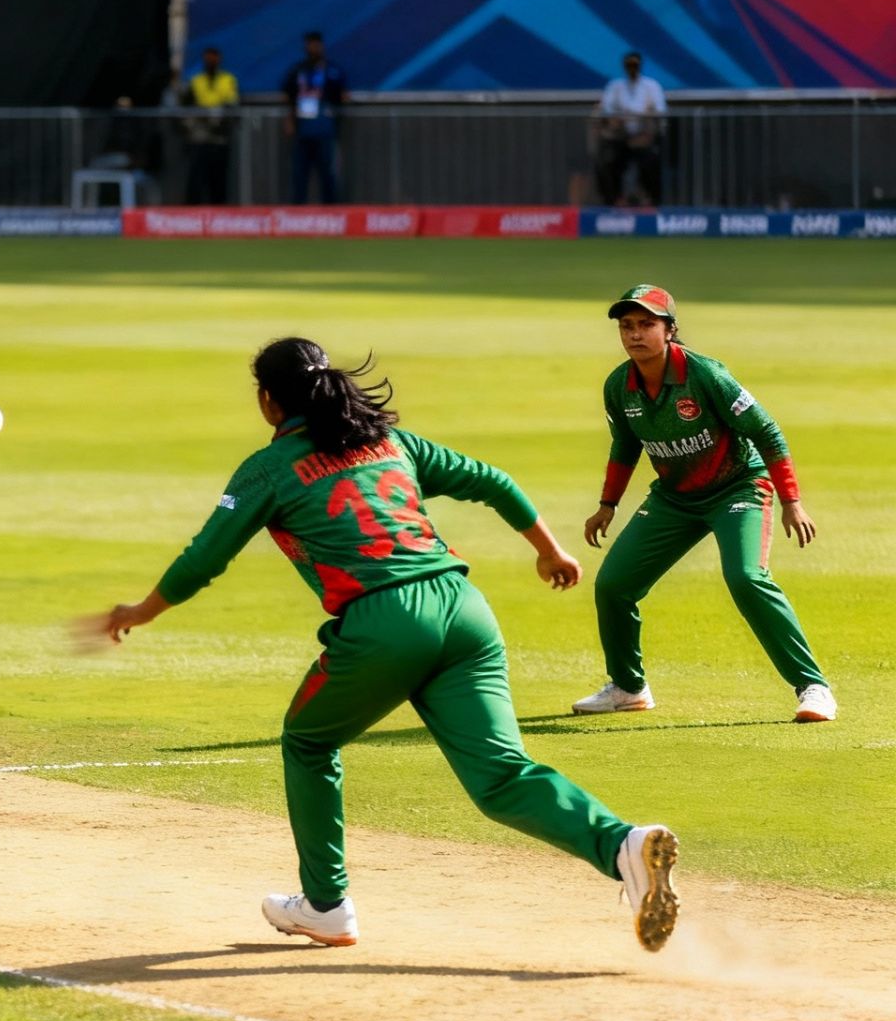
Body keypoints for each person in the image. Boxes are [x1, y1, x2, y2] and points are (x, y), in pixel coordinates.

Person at [80, 337, 681, 955]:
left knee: (309, 741)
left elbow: (204, 557)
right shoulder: (391, 441)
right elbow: (492, 481)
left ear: (268, 400)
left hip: (385, 623)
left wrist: (139, 611)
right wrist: (548, 549)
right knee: (502, 776)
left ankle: (325, 906)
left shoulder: (269, 468)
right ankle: (621, 845)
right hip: (464, 610)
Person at [574, 285, 834, 726]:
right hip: (675, 499)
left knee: (746, 578)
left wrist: (792, 501)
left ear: (669, 330)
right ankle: (628, 687)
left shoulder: (706, 375)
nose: (635, 335)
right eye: (627, 326)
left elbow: (767, 432)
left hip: (737, 488)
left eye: (647, 325)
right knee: (612, 585)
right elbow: (624, 445)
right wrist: (607, 504)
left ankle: (813, 687)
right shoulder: (620, 385)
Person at [280, 32, 346, 202]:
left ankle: (331, 213)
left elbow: (342, 96)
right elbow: (287, 95)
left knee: (327, 172)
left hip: (324, 128)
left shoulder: (331, 70)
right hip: (303, 129)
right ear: (306, 47)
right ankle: (298, 214)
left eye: (317, 44)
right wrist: (290, 118)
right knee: (299, 173)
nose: (314, 48)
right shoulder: (298, 70)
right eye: (310, 44)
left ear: (321, 46)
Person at [594, 51, 665, 200]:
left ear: (640, 66)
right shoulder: (615, 86)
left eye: (635, 65)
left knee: (651, 163)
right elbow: (607, 111)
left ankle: (650, 200)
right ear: (624, 66)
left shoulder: (651, 86)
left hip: (645, 138)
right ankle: (615, 200)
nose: (632, 68)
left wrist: (645, 128)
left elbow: (658, 112)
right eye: (629, 65)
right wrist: (619, 124)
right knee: (606, 162)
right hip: (621, 138)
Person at [184, 46, 240, 202]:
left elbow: (232, 104)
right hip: (200, 135)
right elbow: (186, 107)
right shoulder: (196, 81)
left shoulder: (228, 80)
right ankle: (191, 213)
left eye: (214, 57)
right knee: (196, 177)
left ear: (219, 59)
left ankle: (219, 211)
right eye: (208, 57)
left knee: (218, 177)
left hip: (220, 136)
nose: (211, 60)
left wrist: (222, 122)